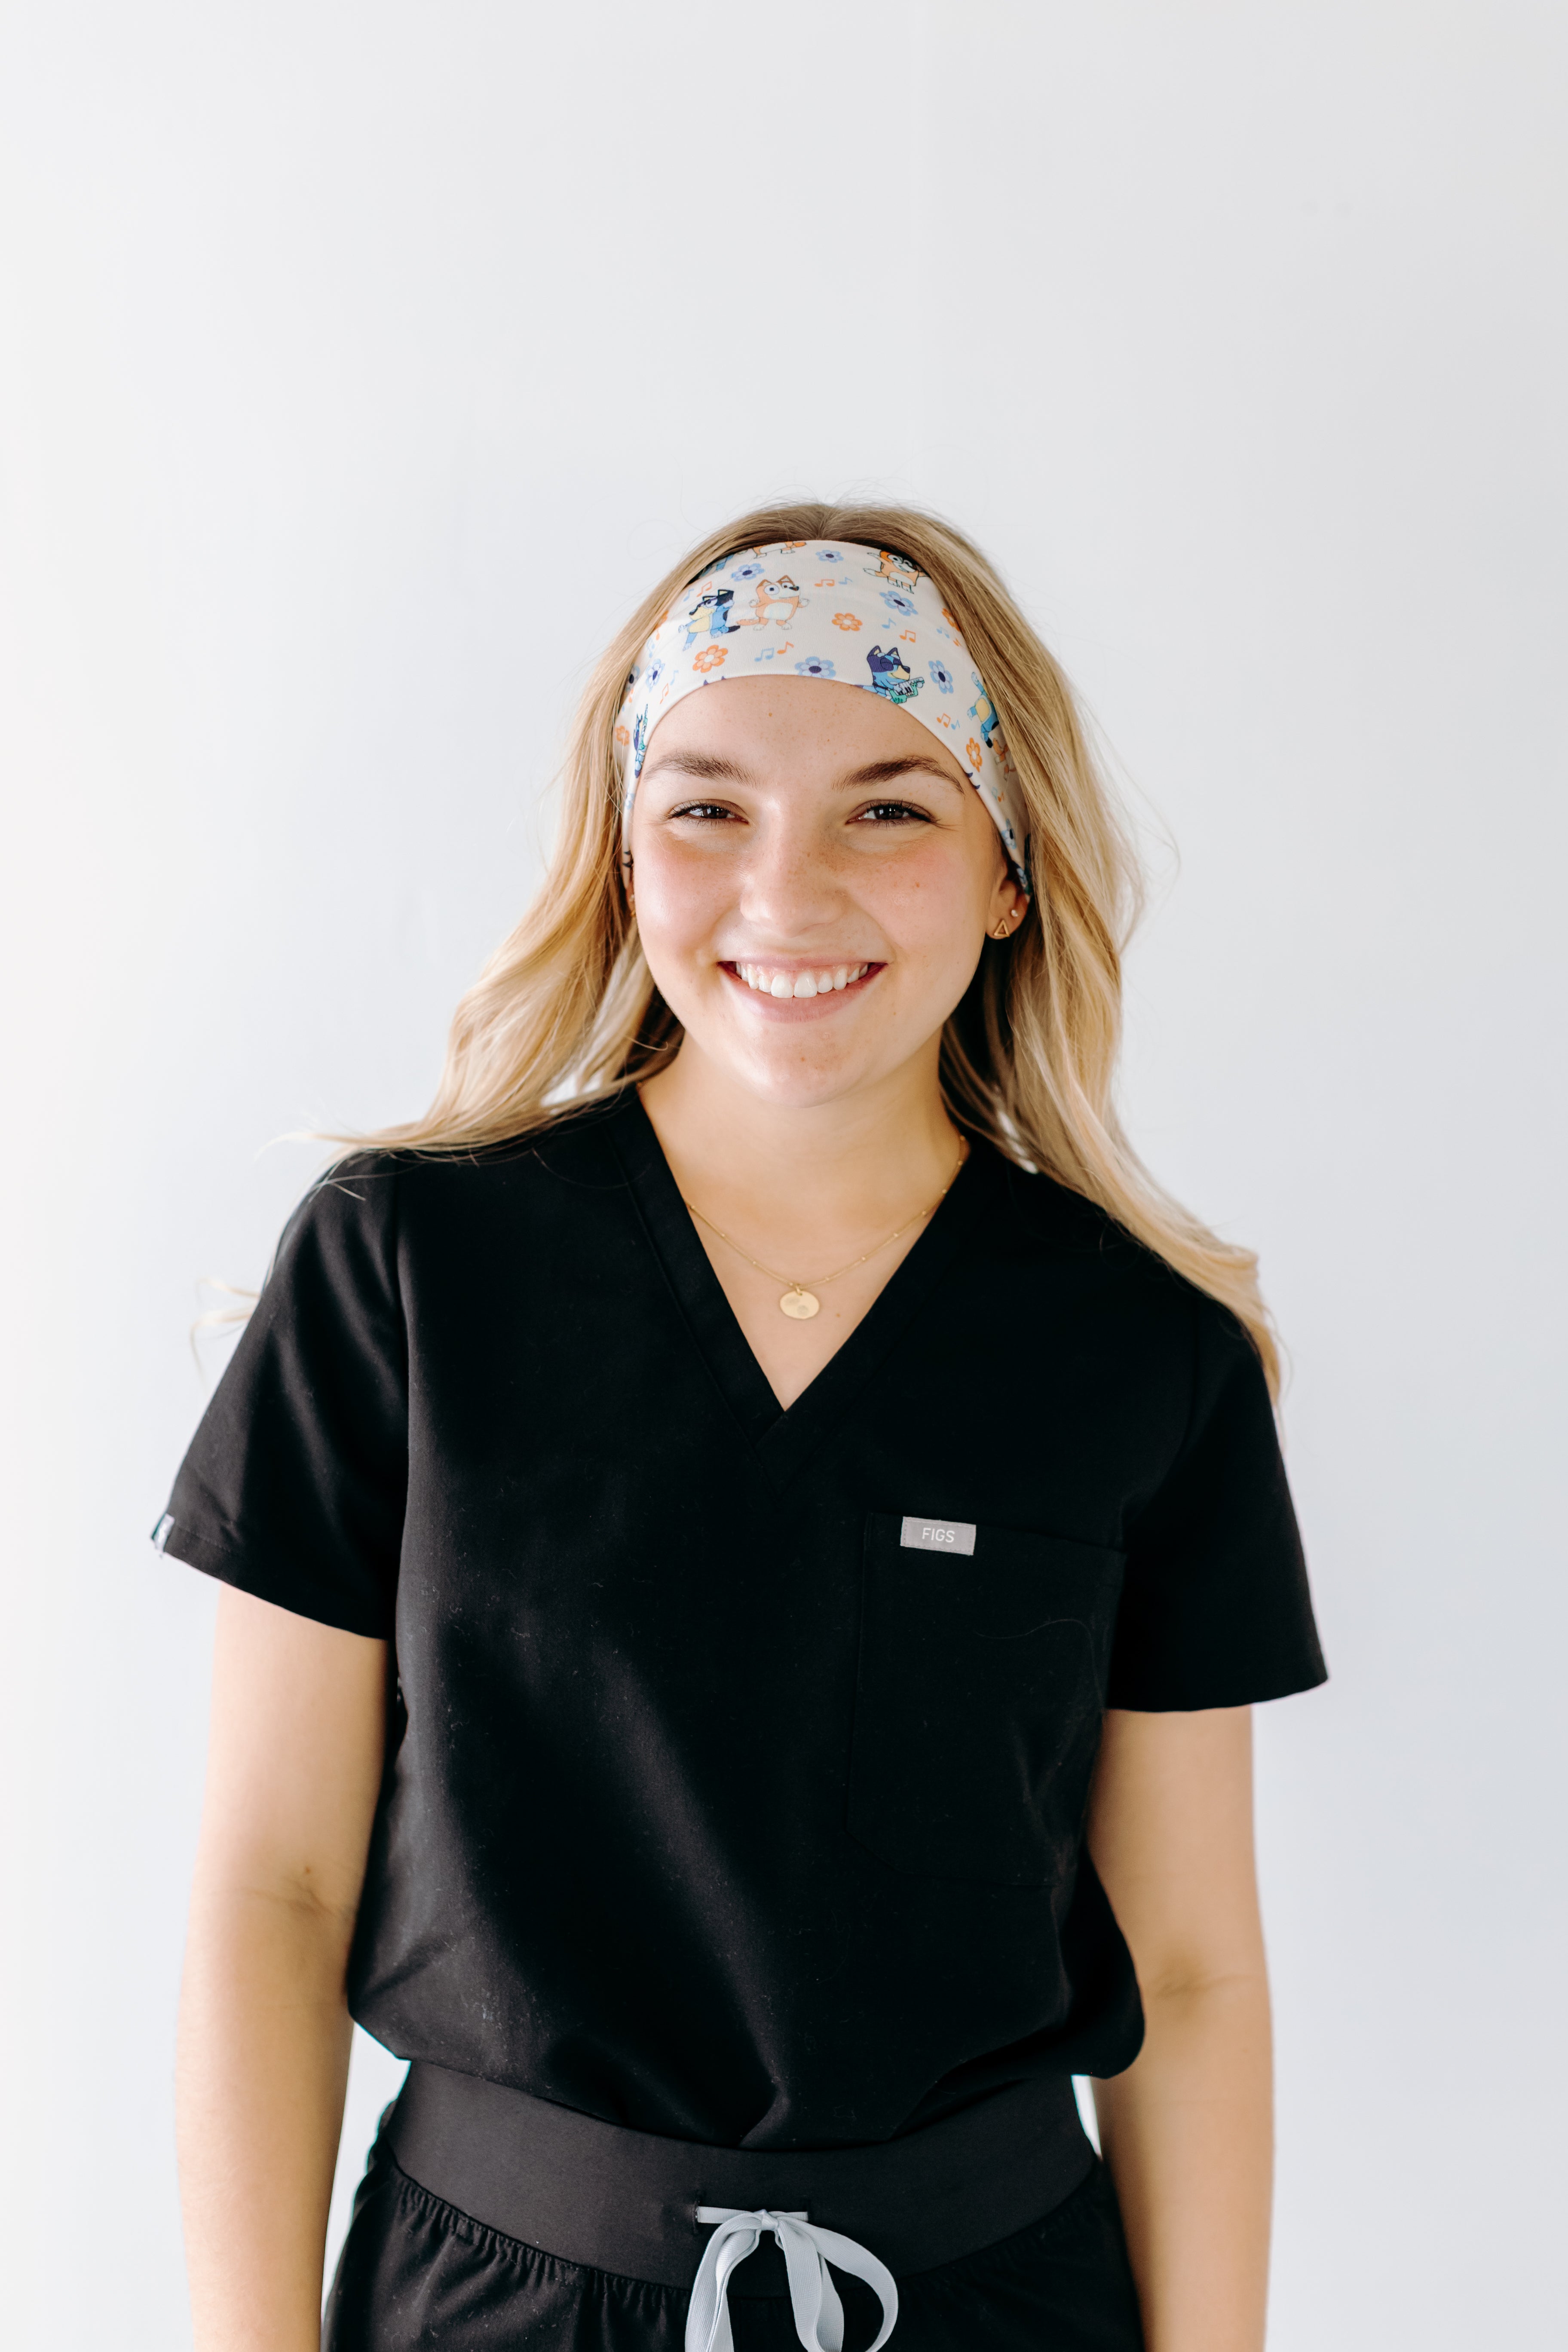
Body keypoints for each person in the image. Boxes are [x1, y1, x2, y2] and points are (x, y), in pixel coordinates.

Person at [159, 502, 1326, 2352]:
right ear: (624, 855)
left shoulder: (1139, 1354)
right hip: (493, 2310)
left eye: (892, 805)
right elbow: (273, 1890)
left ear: (1011, 868)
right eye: (707, 806)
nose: (787, 893)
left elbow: (1188, 1971)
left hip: (998, 2304)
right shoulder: (406, 1276)